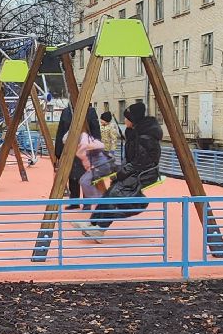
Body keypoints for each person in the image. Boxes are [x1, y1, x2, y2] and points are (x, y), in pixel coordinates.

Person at [76, 102, 164, 239]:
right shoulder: (135, 133)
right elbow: (133, 160)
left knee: (116, 193)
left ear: (133, 120)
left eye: (127, 119)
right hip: (137, 170)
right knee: (110, 192)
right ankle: (93, 223)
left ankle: (101, 228)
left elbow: (139, 163)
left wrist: (121, 173)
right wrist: (120, 172)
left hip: (146, 173)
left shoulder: (145, 138)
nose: (125, 121)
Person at [53, 104, 84, 205]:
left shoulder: (89, 111)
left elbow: (95, 130)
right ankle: (74, 201)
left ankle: (87, 203)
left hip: (84, 148)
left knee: (85, 175)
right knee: (72, 175)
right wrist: (58, 151)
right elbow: (60, 131)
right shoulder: (66, 112)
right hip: (69, 148)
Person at [75, 113, 109, 200]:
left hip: (100, 166)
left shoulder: (85, 138)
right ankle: (99, 198)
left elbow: (100, 145)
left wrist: (85, 148)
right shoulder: (86, 138)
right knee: (85, 180)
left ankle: (97, 198)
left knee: (85, 181)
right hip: (97, 165)